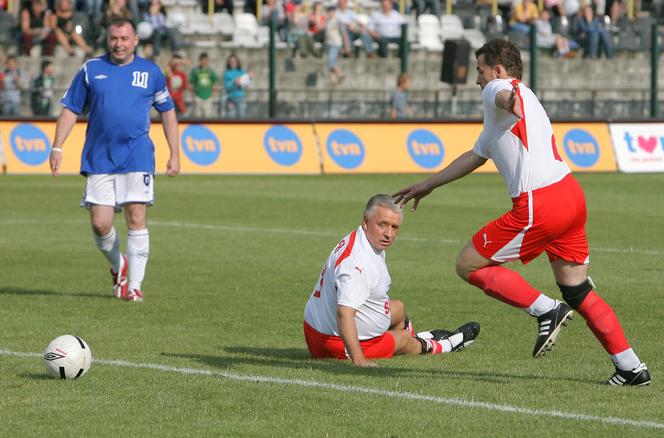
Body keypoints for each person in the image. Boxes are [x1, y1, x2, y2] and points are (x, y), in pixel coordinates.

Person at [393, 39, 651, 386]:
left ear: (497, 70)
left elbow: (501, 92)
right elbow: (476, 155)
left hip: (540, 203)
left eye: (480, 71)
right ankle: (630, 367)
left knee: (467, 264)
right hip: (570, 197)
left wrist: (506, 98)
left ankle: (546, 309)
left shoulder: (502, 90)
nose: (477, 80)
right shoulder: (510, 108)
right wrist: (428, 184)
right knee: (577, 291)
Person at [49, 17, 180, 302]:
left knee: (136, 216)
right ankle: (118, 265)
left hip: (138, 155)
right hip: (100, 157)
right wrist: (57, 146)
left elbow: (167, 111)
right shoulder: (91, 70)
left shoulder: (151, 72)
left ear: (135, 41)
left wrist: (175, 152)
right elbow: (71, 109)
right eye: (113, 39)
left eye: (124, 39)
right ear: (108, 40)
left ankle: (134, 286)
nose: (118, 44)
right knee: (100, 224)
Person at [303, 194, 480, 366]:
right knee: (403, 340)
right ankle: (442, 345)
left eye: (394, 227)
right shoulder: (357, 263)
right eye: (382, 225)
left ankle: (412, 338)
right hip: (332, 344)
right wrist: (359, 360)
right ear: (366, 222)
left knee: (398, 308)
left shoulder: (363, 239)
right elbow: (344, 313)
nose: (388, 233)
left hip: (320, 328)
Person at [189, 52, 218, 118]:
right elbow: (191, 83)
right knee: (197, 116)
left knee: (208, 116)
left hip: (208, 97)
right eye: (202, 60)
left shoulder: (210, 71)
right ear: (200, 60)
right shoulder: (195, 71)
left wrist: (212, 94)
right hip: (198, 96)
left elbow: (215, 83)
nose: (204, 62)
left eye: (206, 60)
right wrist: (193, 96)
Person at [222, 54, 250, 118]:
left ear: (237, 62)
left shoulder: (242, 71)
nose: (232, 63)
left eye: (234, 61)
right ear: (229, 63)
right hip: (231, 98)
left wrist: (244, 81)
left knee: (241, 117)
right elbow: (226, 86)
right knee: (231, 117)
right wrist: (234, 82)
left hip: (241, 98)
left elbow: (246, 84)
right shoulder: (227, 72)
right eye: (231, 61)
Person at [324, 4, 345, 84]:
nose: (330, 13)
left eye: (332, 11)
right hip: (329, 43)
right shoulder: (328, 21)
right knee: (332, 60)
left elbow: (343, 33)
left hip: (335, 43)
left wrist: (345, 46)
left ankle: (340, 73)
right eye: (329, 11)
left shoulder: (337, 21)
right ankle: (333, 78)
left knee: (331, 59)